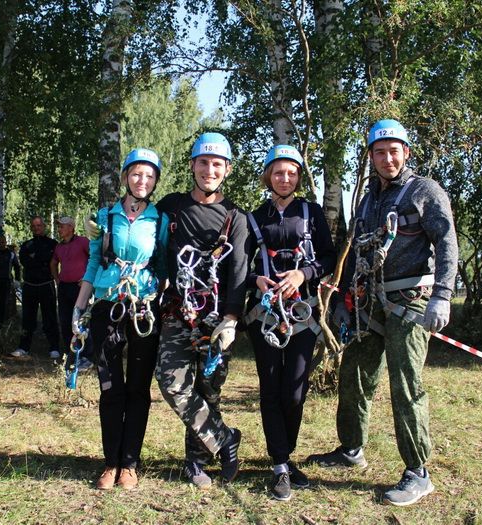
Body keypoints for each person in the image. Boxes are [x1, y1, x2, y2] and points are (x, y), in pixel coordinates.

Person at [306, 119, 458, 507]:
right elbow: (356, 251)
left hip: (410, 304)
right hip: (367, 303)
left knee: (405, 384)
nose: (387, 158)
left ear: (406, 152)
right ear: (371, 156)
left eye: (394, 151)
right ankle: (351, 448)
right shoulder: (369, 200)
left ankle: (418, 473)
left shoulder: (425, 191)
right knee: (354, 374)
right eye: (379, 152)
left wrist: (443, 295)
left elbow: (446, 244)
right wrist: (341, 299)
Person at [154, 132, 248, 489]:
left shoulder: (235, 216)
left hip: (217, 318)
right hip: (177, 312)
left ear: (226, 170)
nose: (210, 170)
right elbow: (144, 229)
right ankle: (225, 439)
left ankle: (196, 461)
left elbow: (239, 267)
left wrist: (232, 318)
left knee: (209, 389)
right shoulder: (171, 207)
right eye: (204, 162)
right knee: (172, 382)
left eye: (217, 164)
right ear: (193, 165)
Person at [244, 145, 336, 501]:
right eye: (279, 172)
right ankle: (280, 463)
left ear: (299, 177)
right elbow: (239, 264)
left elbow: (327, 255)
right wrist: (257, 282)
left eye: (292, 173)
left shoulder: (311, 213)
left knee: (295, 391)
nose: (285, 179)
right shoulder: (254, 218)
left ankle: (285, 453)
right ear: (269, 175)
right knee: (270, 387)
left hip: (302, 312)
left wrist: (303, 273)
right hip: (264, 314)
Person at [73, 148, 169, 491]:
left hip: (142, 307)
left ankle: (130, 463)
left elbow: (162, 267)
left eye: (149, 176)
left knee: (138, 389)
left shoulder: (160, 220)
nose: (142, 181)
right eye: (136, 174)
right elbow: (93, 264)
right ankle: (110, 462)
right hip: (107, 307)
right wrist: (78, 308)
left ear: (156, 181)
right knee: (110, 387)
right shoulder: (105, 216)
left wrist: (161, 300)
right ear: (126, 176)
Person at [10, 216, 60, 359]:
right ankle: (23, 347)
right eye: (34, 226)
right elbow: (26, 262)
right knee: (27, 318)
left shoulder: (53, 244)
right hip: (30, 286)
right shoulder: (26, 245)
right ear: (31, 228)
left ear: (44, 226)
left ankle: (54, 347)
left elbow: (52, 262)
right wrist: (42, 260)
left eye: (39, 225)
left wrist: (38, 259)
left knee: (50, 317)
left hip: (47, 285)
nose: (37, 228)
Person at [51, 216, 90, 361]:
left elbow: (95, 258)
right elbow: (53, 263)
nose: (59, 229)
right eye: (59, 226)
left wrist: (87, 278)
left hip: (80, 288)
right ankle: (71, 353)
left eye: (62, 226)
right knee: (65, 320)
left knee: (81, 320)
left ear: (71, 228)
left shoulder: (83, 242)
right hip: (64, 287)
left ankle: (85, 354)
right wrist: (57, 279)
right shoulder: (59, 246)